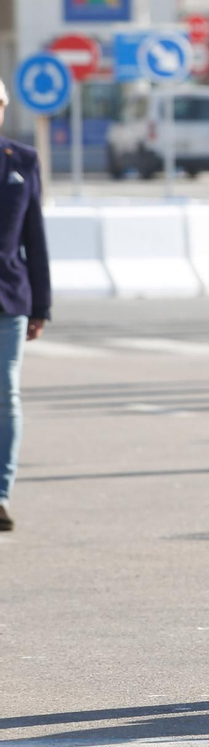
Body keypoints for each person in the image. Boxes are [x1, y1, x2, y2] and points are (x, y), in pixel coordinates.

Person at [0, 79, 49, 534]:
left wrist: (41, 305)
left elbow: (35, 236)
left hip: (9, 299)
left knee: (7, 397)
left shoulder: (22, 161)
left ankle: (0, 494)